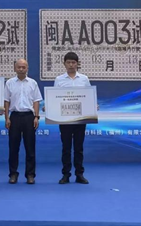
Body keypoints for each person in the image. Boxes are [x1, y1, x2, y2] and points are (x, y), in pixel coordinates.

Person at [53, 52, 91, 184]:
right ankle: (66, 175)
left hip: (81, 118)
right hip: (65, 119)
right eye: (68, 62)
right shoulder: (59, 79)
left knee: (79, 148)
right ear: (64, 64)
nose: (71, 65)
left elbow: (88, 96)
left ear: (77, 64)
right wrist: (50, 106)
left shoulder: (84, 79)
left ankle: (79, 174)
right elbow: (55, 98)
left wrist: (93, 104)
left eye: (73, 62)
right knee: (66, 148)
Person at [4, 59, 42, 184]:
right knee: (13, 148)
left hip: (29, 117)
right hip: (14, 116)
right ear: (15, 68)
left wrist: (36, 117)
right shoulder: (9, 83)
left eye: (23, 67)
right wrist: (7, 118)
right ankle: (13, 174)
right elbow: (6, 101)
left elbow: (36, 101)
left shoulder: (33, 83)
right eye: (19, 67)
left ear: (27, 68)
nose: (21, 69)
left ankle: (30, 175)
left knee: (30, 148)